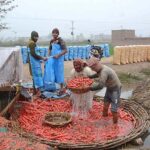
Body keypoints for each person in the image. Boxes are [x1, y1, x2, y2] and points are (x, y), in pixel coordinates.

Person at [86, 57, 122, 124]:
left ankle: (115, 125)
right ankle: (104, 120)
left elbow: (100, 86)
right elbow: (97, 74)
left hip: (115, 90)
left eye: (93, 68)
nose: (93, 70)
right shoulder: (101, 69)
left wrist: (89, 88)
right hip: (109, 88)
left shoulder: (104, 71)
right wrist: (89, 77)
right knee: (105, 106)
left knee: (114, 110)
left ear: (96, 65)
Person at [49, 28, 67, 95]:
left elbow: (65, 50)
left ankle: (62, 88)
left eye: (56, 33)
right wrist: (48, 58)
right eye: (53, 33)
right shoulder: (51, 41)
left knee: (60, 73)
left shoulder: (61, 41)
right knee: (53, 73)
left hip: (59, 60)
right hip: (53, 60)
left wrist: (58, 55)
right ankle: (55, 88)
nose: (54, 34)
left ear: (58, 34)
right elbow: (49, 49)